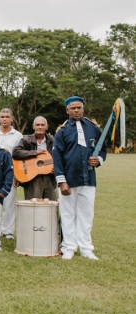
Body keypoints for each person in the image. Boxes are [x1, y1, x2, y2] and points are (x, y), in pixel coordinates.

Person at [53, 96, 106, 260]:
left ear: (83, 109)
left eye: (79, 108)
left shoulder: (94, 128)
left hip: (88, 179)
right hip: (69, 180)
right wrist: (62, 182)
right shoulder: (62, 131)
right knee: (68, 214)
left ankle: (86, 248)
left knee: (86, 214)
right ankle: (69, 246)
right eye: (73, 108)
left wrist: (99, 161)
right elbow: (57, 157)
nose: (76, 110)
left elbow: (103, 149)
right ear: (67, 110)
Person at [12, 116, 57, 200]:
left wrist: (56, 167)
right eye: (37, 125)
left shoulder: (53, 140)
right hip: (32, 178)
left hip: (49, 178)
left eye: (42, 125)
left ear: (47, 127)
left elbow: (59, 156)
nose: (40, 127)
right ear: (33, 126)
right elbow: (15, 152)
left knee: (51, 206)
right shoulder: (26, 140)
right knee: (34, 207)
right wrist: (34, 152)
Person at [0, 108, 23, 239]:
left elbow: (19, 156)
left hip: (10, 173)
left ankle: (7, 231)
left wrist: (18, 175)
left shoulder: (18, 135)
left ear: (12, 118)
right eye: (2, 116)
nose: (5, 119)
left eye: (7, 116)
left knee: (9, 203)